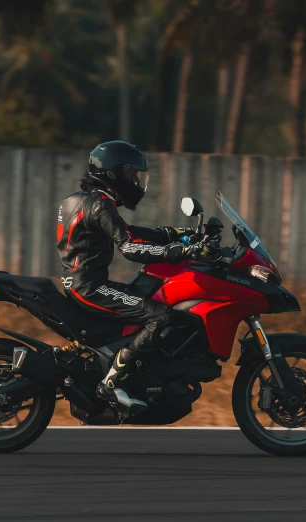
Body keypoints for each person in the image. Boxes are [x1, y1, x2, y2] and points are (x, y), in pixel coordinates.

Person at [56, 140, 199, 411]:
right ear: (114, 173)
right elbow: (130, 247)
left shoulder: (81, 201)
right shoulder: (100, 205)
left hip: (76, 283)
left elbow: (124, 229)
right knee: (161, 315)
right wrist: (173, 252)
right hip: (90, 287)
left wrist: (172, 233)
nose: (136, 181)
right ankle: (112, 383)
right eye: (132, 174)